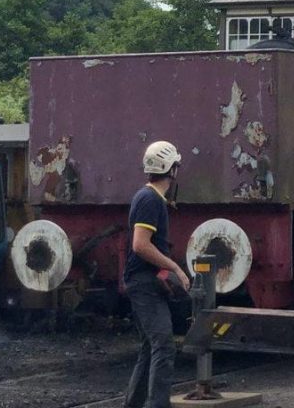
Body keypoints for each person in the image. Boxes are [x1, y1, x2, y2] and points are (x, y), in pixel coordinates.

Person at [123, 140, 190, 408]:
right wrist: (175, 267)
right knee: (164, 344)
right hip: (143, 283)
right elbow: (140, 245)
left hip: (143, 282)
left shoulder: (151, 198)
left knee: (151, 346)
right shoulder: (150, 199)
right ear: (171, 170)